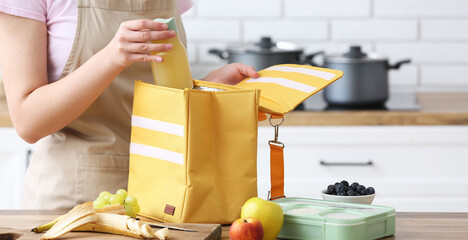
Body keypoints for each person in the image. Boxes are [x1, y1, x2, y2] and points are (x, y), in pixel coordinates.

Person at [0, 0, 259, 209]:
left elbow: (156, 96)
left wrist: (203, 86)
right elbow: (28, 121)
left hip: (166, 195)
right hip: (77, 203)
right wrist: (111, 58)